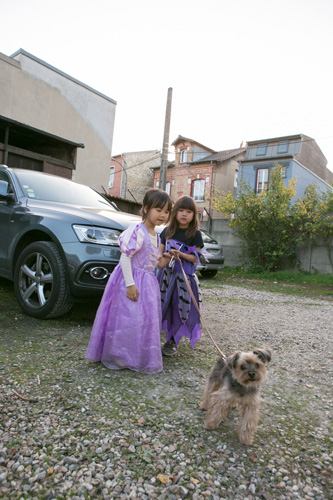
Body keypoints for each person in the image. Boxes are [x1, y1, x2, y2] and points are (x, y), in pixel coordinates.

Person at [86, 188, 172, 374]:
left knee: (141, 320)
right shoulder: (137, 231)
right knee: (126, 318)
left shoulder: (156, 235)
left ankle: (136, 355)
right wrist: (130, 284)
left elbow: (154, 263)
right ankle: (119, 355)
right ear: (146, 208)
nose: (162, 215)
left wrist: (166, 259)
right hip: (131, 280)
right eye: (158, 210)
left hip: (148, 283)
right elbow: (125, 257)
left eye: (166, 211)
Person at [157, 195, 204, 356]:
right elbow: (160, 253)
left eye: (189, 211)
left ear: (194, 215)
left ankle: (172, 341)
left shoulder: (195, 234)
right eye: (181, 210)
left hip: (184, 279)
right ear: (175, 212)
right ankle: (155, 337)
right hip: (166, 277)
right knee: (164, 306)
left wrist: (181, 255)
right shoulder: (167, 231)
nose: (184, 214)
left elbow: (196, 258)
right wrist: (164, 257)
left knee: (180, 308)